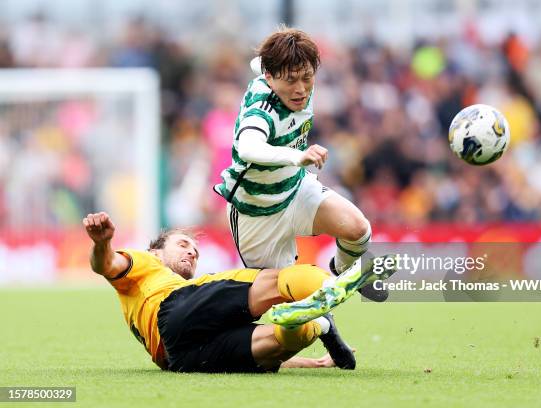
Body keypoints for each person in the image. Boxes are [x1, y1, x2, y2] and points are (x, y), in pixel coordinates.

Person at [83, 212, 396, 373]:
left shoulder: (186, 292)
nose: (192, 253)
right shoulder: (145, 261)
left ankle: (320, 324)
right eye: (182, 245)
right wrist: (101, 242)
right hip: (175, 310)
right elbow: (106, 263)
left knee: (277, 345)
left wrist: (314, 363)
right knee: (276, 282)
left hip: (181, 359)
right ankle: (333, 285)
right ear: (155, 250)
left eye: (195, 251)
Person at [213, 26, 387, 303]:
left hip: (295, 189)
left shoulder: (287, 72)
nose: (301, 89)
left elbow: (263, 62)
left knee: (358, 229)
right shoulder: (262, 109)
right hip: (257, 212)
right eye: (291, 80)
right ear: (268, 77)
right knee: (277, 301)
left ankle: (344, 269)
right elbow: (248, 147)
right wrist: (297, 157)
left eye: (307, 78)